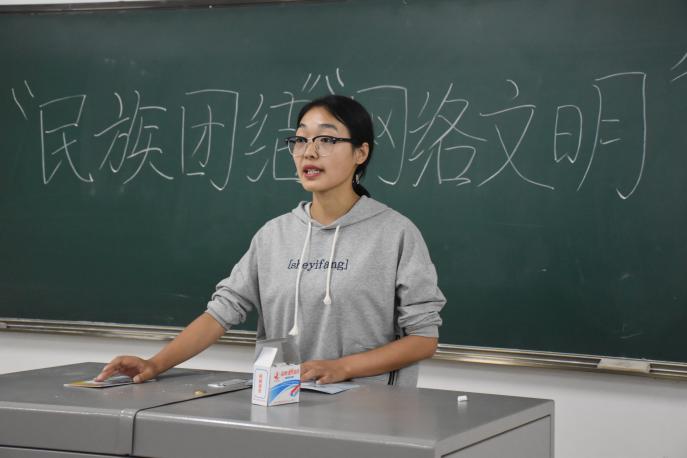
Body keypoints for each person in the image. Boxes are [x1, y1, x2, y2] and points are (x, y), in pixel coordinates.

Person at [96, 95, 445, 387]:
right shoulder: (274, 235)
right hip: (282, 401)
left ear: (360, 153)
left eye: (326, 140)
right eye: (300, 140)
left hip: (369, 413)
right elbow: (221, 312)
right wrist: (155, 363)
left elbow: (423, 339)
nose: (309, 152)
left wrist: (342, 368)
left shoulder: (395, 233)